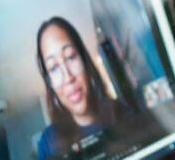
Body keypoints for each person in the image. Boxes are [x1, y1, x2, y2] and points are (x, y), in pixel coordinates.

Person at [35, 17, 118, 159]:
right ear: (50, 84)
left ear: (85, 61)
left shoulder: (123, 110)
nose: (67, 77)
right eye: (54, 67)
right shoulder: (48, 142)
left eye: (71, 57)